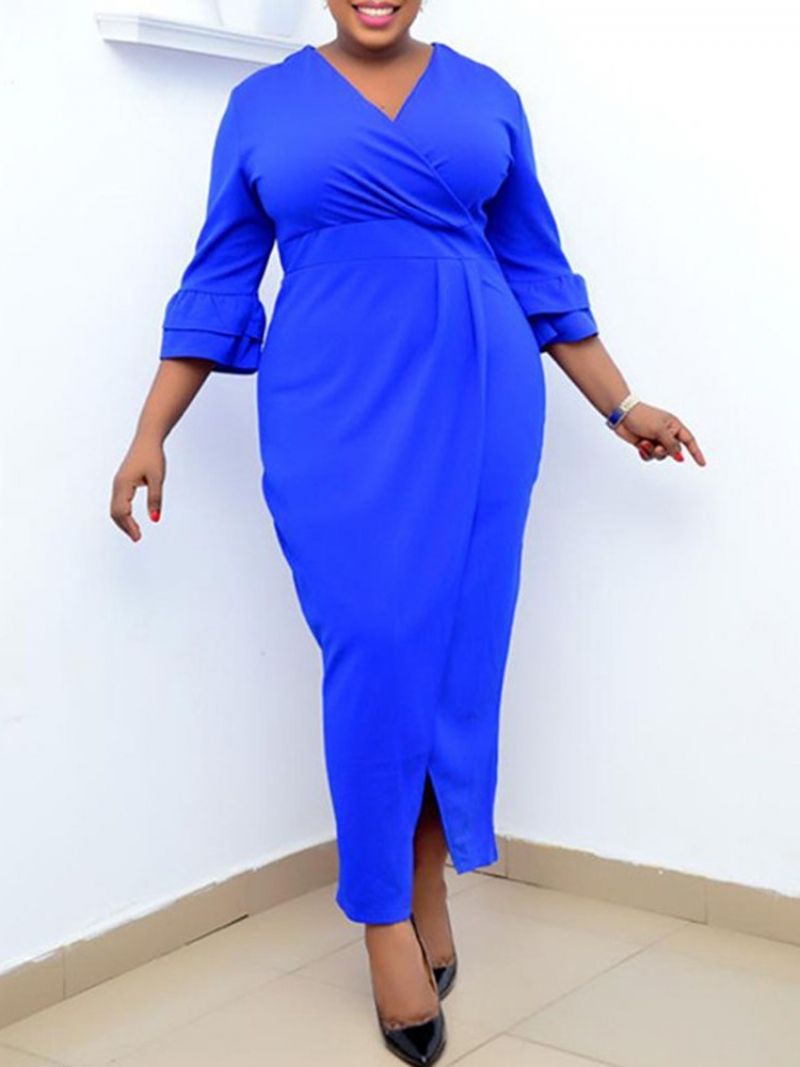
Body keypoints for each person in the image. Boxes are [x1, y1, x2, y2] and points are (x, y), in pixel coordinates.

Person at [110, 2, 706, 1062]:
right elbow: (218, 279)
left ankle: (423, 875)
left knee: (453, 659)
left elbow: (537, 270)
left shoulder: (488, 96)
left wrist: (621, 404)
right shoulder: (260, 106)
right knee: (376, 645)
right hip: (331, 401)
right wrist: (151, 430)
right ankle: (381, 909)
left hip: (479, 394)